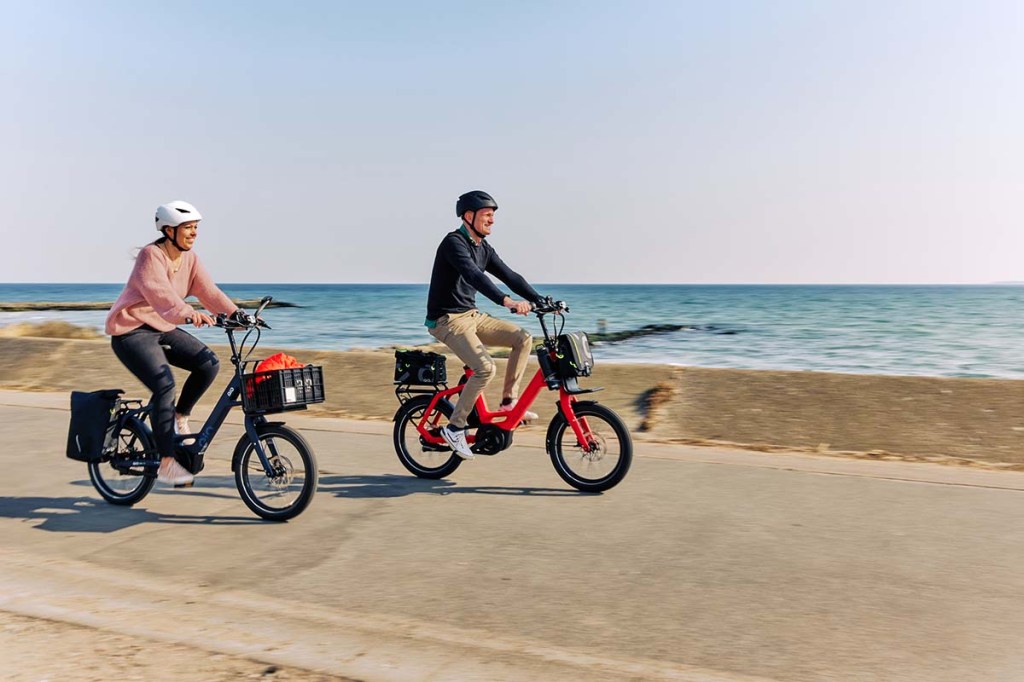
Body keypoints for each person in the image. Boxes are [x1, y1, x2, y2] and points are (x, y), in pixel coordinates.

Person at [105, 201, 239, 486]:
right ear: (169, 230)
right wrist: (189, 314)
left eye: (196, 228)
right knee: (164, 385)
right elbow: (161, 295)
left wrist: (236, 314)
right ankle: (167, 462)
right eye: (188, 228)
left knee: (208, 363)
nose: (194, 233)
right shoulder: (150, 256)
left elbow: (209, 291)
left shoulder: (190, 259)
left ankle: (179, 416)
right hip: (132, 331)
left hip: (162, 327)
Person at [425, 190, 544, 460]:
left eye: (493, 216)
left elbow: (509, 274)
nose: (492, 221)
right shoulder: (454, 243)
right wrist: (505, 301)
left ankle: (509, 401)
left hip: (471, 315)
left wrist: (539, 299)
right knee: (485, 368)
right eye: (487, 215)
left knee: (523, 338)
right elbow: (474, 275)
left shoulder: (483, 247)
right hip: (447, 320)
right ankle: (455, 428)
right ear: (469, 216)